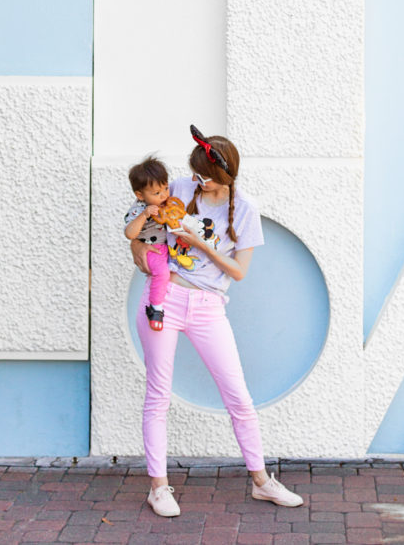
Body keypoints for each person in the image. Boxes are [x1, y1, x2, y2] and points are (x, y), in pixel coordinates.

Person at [130, 125, 304, 517]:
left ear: (224, 177)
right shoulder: (179, 187)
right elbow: (142, 227)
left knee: (239, 397)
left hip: (209, 307)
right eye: (194, 175)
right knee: (158, 395)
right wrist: (138, 248)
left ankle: (262, 481)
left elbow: (239, 272)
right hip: (165, 299)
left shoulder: (245, 209)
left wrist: (200, 246)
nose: (196, 182)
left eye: (203, 178)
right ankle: (158, 488)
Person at [124, 157, 171, 331]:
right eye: (157, 193)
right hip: (153, 249)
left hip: (168, 246)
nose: (164, 195)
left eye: (165, 188)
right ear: (140, 195)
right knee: (162, 274)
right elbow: (130, 233)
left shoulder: (168, 201)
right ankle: (156, 308)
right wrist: (144, 215)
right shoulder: (139, 210)